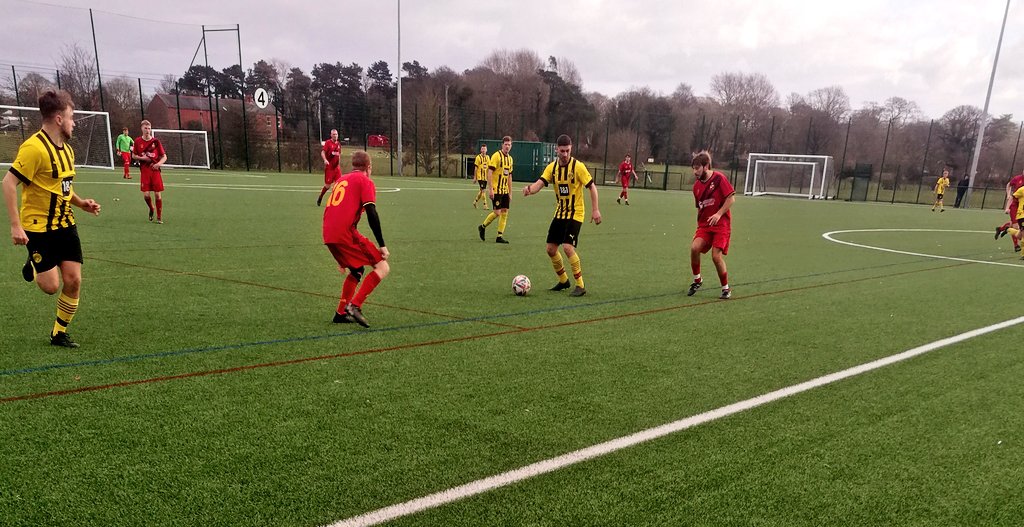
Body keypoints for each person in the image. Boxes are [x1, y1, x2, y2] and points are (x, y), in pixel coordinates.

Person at [2, 90, 102, 348]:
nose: (74, 122)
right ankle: (33, 261)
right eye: (71, 117)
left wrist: (82, 204)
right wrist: (15, 225)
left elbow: (62, 187)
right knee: (50, 286)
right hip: (37, 228)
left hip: (65, 224)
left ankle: (58, 333)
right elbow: (9, 183)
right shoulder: (33, 148)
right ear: (59, 119)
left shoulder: (67, 151)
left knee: (74, 280)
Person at [522, 134, 602, 297]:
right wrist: (530, 190)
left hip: (576, 213)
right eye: (562, 151)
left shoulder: (578, 167)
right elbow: (540, 183)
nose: (565, 154)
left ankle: (580, 285)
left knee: (567, 247)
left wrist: (595, 210)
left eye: (567, 151)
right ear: (556, 150)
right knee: (551, 249)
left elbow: (592, 187)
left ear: (571, 149)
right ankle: (564, 280)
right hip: (560, 213)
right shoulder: (552, 168)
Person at [323, 150, 389, 328]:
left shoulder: (341, 180)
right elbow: (371, 213)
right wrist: (382, 245)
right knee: (383, 267)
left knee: (356, 269)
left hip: (328, 233)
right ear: (369, 167)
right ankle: (355, 305)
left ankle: (341, 312)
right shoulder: (364, 180)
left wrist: (339, 252)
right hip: (344, 233)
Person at [686, 150, 735, 300]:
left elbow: (731, 199)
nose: (695, 171)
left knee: (716, 257)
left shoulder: (719, 178)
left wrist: (719, 214)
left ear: (706, 166)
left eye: (697, 168)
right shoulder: (696, 187)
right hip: (705, 226)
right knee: (694, 248)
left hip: (721, 225)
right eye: (693, 168)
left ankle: (726, 288)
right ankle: (697, 280)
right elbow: (700, 207)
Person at [478, 135, 513, 243]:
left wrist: (510, 192)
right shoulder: (496, 156)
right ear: (502, 145)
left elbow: (509, 176)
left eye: (509, 144)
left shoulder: (510, 159)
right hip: (496, 189)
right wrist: (491, 189)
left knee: (505, 211)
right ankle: (482, 227)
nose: (507, 146)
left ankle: (499, 236)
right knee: (497, 213)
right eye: (506, 144)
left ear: (511, 146)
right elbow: (490, 172)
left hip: (505, 190)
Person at [132, 120, 167, 223]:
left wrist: (158, 164)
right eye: (145, 128)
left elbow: (164, 156)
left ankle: (159, 217)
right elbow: (133, 156)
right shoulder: (138, 141)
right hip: (145, 171)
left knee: (157, 194)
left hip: (155, 170)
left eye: (149, 128)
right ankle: (151, 208)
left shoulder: (156, 142)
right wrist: (143, 159)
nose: (147, 130)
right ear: (141, 129)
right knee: (146, 195)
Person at [996, 171, 1024, 252]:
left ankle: (1003, 228)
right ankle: (1016, 245)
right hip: (1015, 206)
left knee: (1015, 226)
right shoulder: (1017, 179)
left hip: (1022, 207)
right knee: (1017, 228)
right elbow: (1011, 193)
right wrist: (1007, 207)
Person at [316, 129, 342, 207]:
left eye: (336, 134)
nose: (335, 136)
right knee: (327, 186)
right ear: (331, 135)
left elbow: (339, 155)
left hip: (336, 168)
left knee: (339, 185)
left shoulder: (339, 144)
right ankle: (320, 197)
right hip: (330, 168)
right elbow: (322, 152)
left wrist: (339, 163)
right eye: (333, 134)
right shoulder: (328, 143)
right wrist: (325, 160)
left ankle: (335, 202)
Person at [471, 143, 490, 210]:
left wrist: (489, 176)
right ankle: (485, 205)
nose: (483, 150)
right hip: (480, 177)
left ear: (486, 150)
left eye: (484, 149)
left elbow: (488, 168)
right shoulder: (478, 157)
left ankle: (475, 202)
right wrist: (475, 177)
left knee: (482, 191)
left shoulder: (488, 157)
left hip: (485, 177)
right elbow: (476, 168)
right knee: (484, 190)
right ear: (480, 150)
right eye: (482, 149)